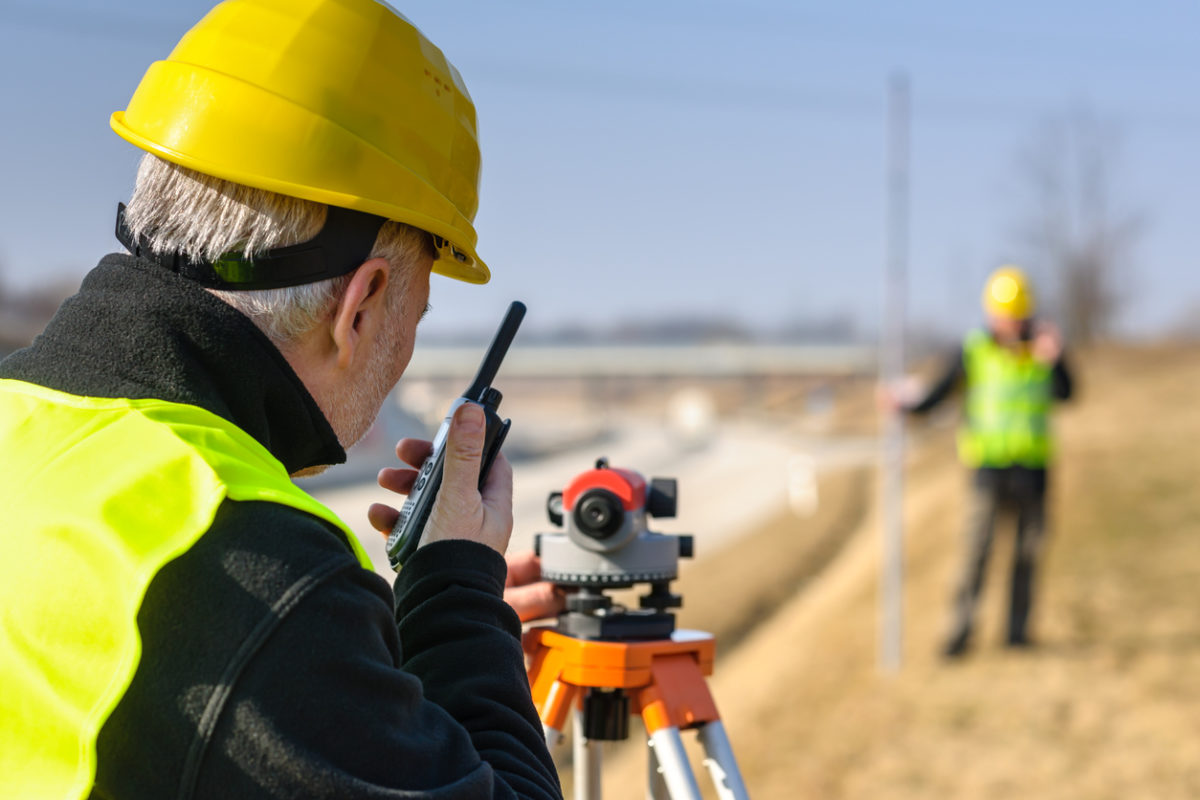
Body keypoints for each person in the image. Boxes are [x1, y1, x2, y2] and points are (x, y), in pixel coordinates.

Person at [0, 2, 564, 798]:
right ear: (362, 304)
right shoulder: (256, 575)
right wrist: (455, 596)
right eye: (416, 314)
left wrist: (373, 659)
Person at [884, 266, 1073, 658]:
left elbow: (1068, 392)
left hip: (1033, 471)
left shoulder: (1043, 351)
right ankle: (959, 635)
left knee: (1026, 555)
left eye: (1016, 315)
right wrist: (904, 405)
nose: (1009, 323)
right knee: (975, 555)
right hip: (987, 470)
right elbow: (937, 394)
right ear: (991, 313)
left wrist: (1056, 358)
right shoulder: (973, 352)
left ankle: (1017, 635)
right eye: (1004, 314)